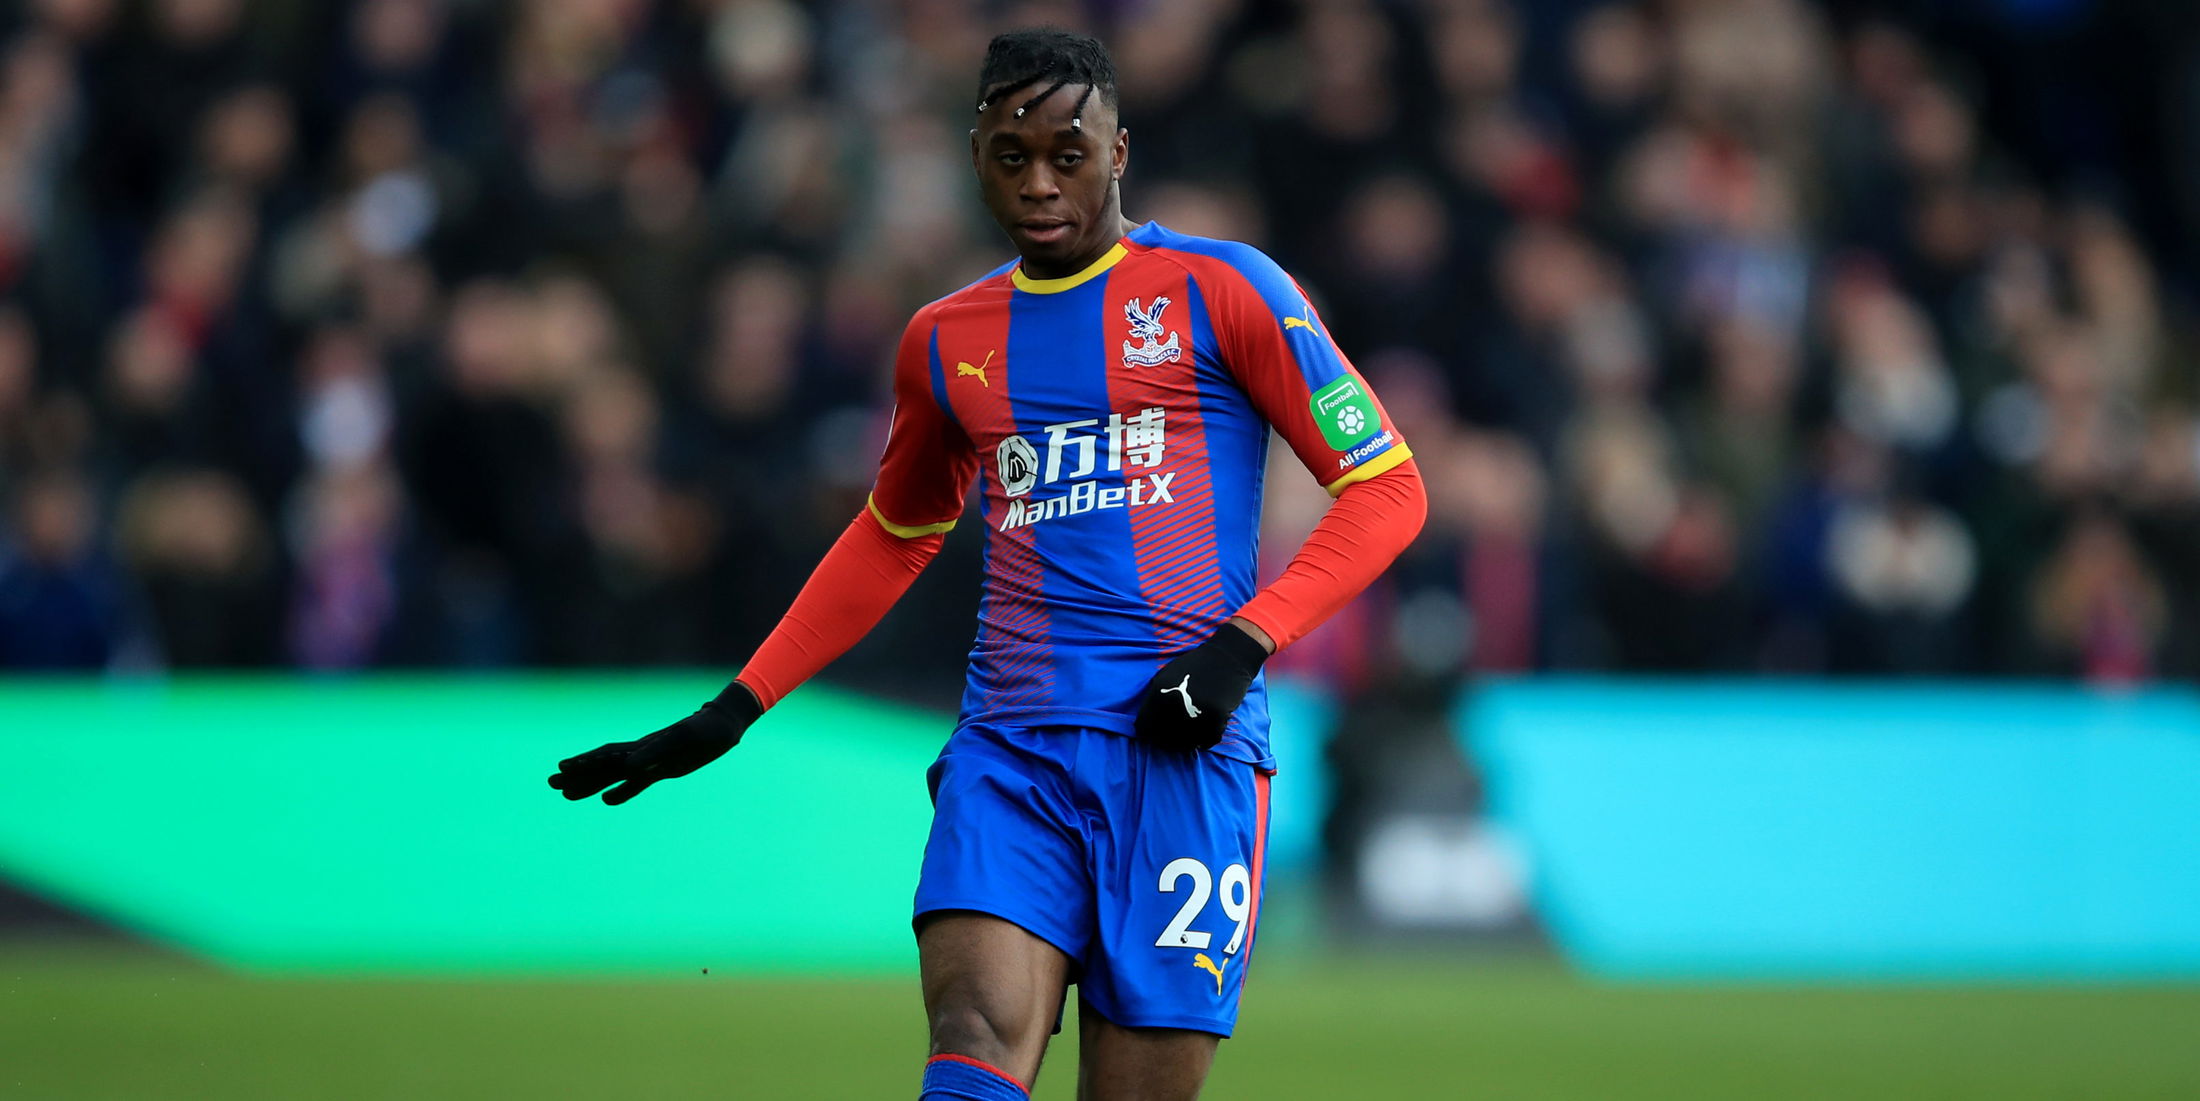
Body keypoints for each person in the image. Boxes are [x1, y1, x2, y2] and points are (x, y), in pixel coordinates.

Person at [549, 28, 1426, 1101]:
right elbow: (894, 531)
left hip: (1182, 747)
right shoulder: (943, 338)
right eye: (1013, 157)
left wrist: (1241, 648)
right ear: (976, 158)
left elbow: (1386, 488)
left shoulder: (1224, 289)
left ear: (1118, 152)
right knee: (971, 1026)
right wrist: (737, 707)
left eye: (1070, 152)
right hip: (1010, 747)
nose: (1041, 183)